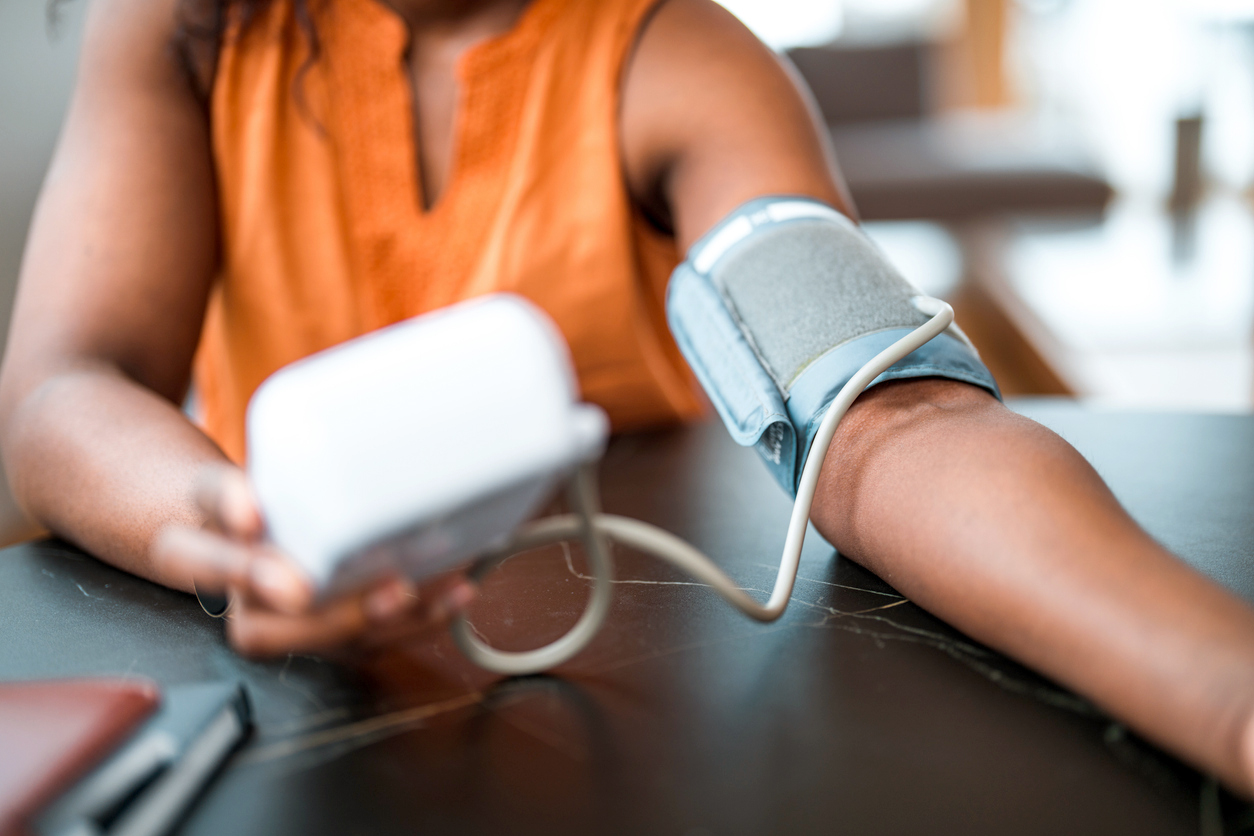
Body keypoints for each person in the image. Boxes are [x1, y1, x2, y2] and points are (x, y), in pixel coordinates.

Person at [3, 0, 1254, 796]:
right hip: (284, 705)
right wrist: (226, 526)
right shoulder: (186, 31)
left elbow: (887, 424)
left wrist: (1228, 695)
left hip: (620, 731)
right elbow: (66, 381)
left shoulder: (678, 62)